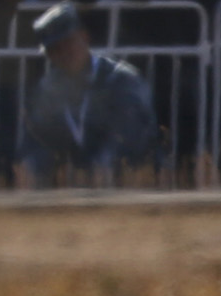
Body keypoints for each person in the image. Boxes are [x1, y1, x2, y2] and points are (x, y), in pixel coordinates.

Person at [18, 10, 158, 183]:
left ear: (84, 37)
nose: (64, 53)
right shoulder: (47, 89)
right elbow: (36, 138)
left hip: (131, 179)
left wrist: (98, 170)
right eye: (54, 49)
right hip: (78, 188)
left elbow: (131, 135)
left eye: (68, 43)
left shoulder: (121, 79)